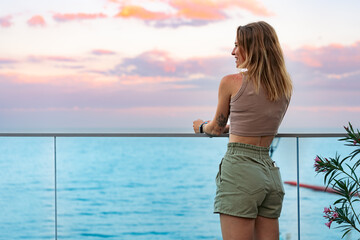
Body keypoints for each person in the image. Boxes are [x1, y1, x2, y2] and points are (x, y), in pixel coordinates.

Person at [193, 21, 292, 240]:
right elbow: (260, 122)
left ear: (252, 49)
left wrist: (201, 126)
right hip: (270, 172)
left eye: (238, 46)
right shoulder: (283, 86)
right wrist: (234, 127)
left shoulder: (231, 82)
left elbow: (216, 129)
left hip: (241, 171)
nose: (233, 51)